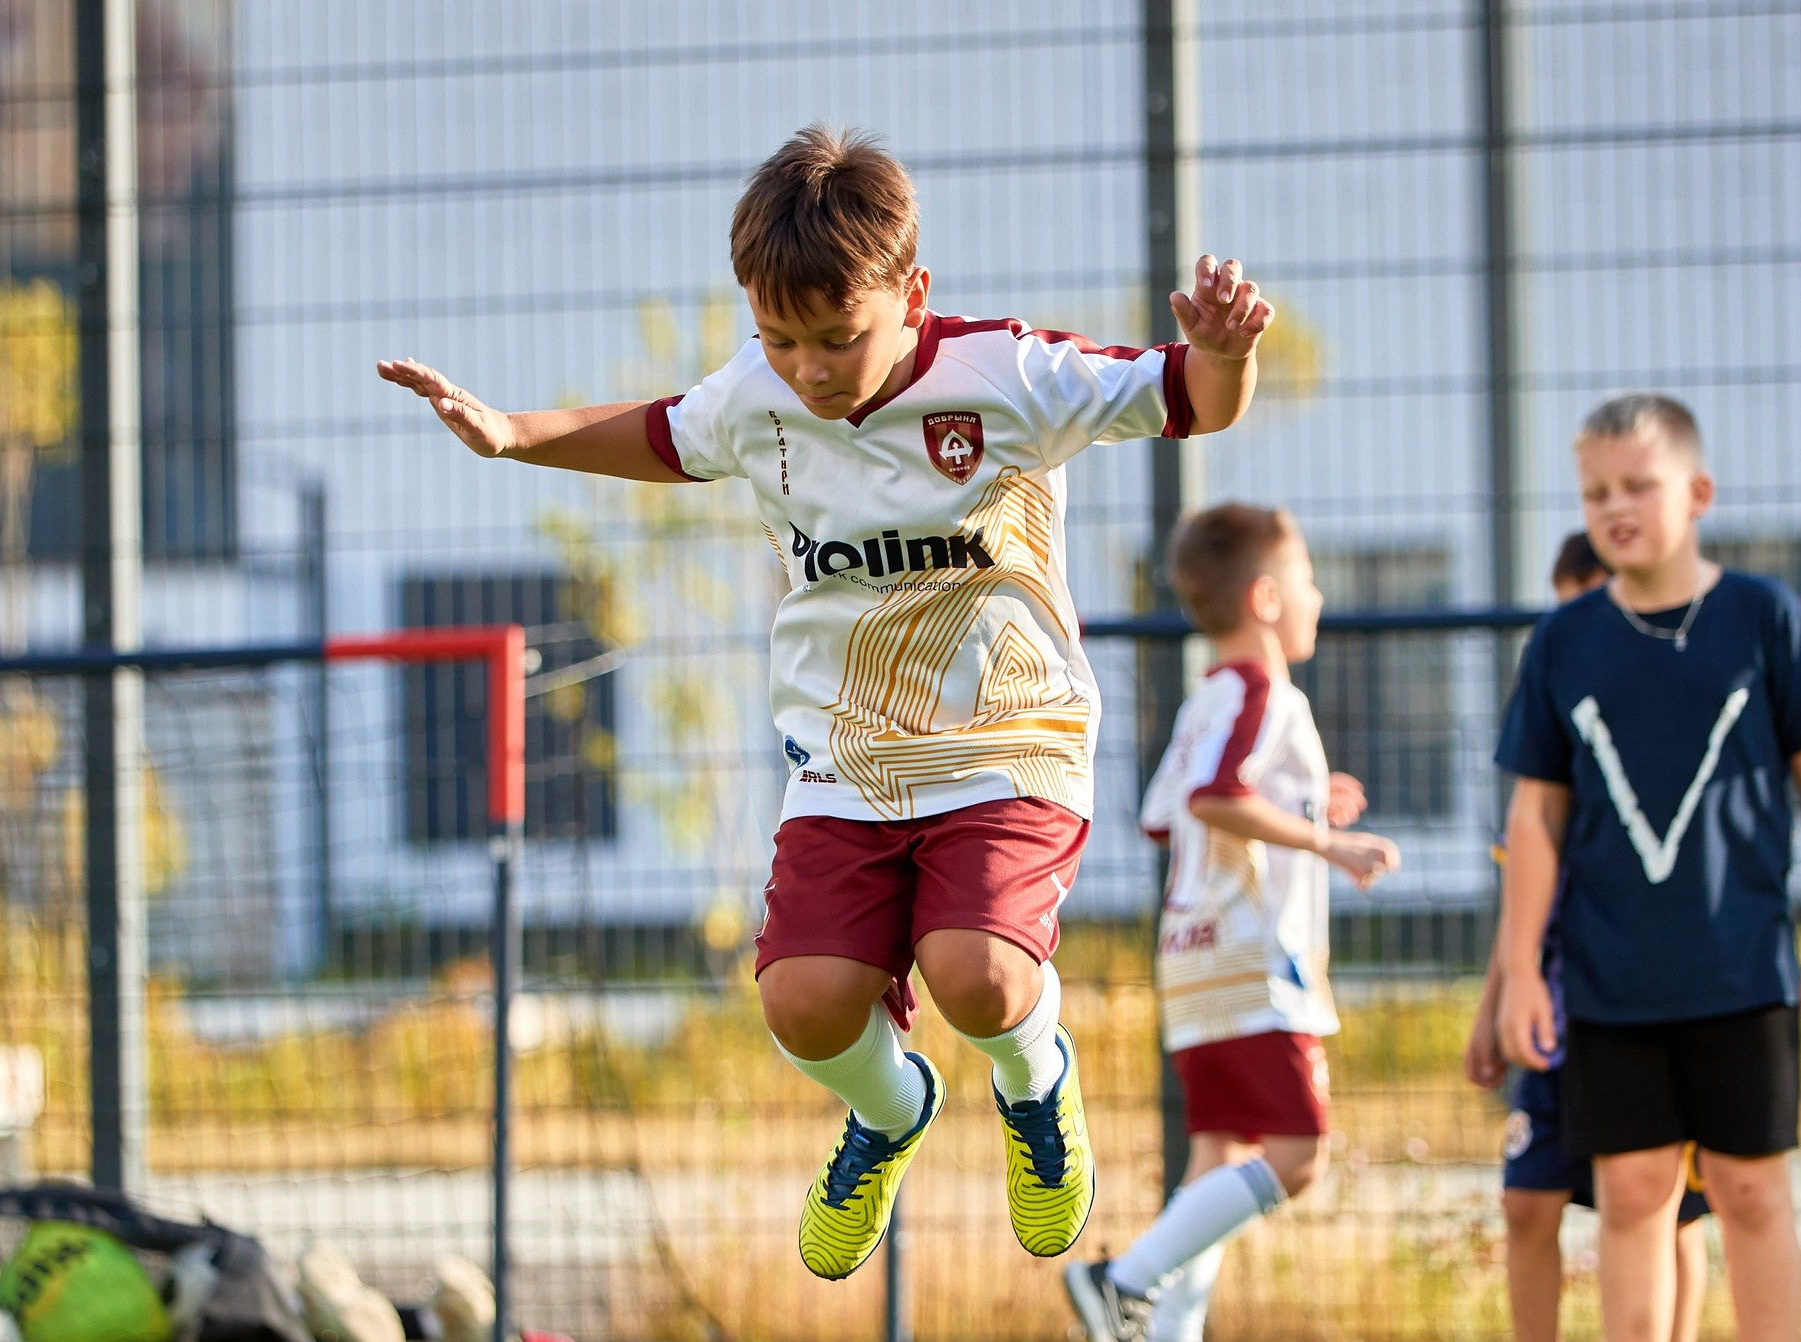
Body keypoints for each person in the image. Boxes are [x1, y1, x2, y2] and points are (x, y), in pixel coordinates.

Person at [379, 127, 1276, 1280]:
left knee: (978, 975)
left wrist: (1222, 353)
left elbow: (1193, 399)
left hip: (1009, 743)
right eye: (777, 337)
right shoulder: (759, 395)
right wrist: (510, 436)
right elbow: (663, 434)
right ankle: (891, 1112)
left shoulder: (1007, 377)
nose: (805, 366)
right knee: (803, 1005)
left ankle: (1035, 1089)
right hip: (846, 759)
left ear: (914, 294)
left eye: (836, 338)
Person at [1492, 393, 1801, 1342]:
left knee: (1750, 1192)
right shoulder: (1563, 640)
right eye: (1595, 492)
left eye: (1636, 487)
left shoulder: (1762, 616)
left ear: (1695, 496)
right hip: (1608, 981)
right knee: (1633, 1194)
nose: (1614, 508)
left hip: (1742, 970)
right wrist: (1519, 970)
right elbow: (1536, 820)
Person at [1064, 504, 1399, 1342]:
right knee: (1297, 1156)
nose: (1318, 599)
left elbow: (1172, 818)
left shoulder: (1208, 694)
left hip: (1194, 951)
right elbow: (1215, 799)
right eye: (1305, 581)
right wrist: (1326, 839)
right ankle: (1121, 1282)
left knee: (1220, 1156)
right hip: (1256, 956)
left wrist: (1299, 805)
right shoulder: (1264, 692)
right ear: (1265, 596)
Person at [1456, 530, 1717, 1342]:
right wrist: (1494, 1002)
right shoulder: (1548, 755)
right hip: (1556, 1022)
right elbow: (1523, 897)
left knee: (1667, 1214)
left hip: (1646, 1012)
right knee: (1527, 1197)